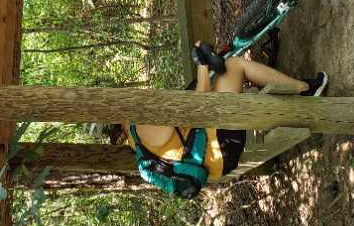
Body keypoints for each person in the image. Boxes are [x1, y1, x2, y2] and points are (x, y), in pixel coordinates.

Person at [109, 40, 328, 181]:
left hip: (215, 155)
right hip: (219, 147)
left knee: (221, 76)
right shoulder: (144, 124)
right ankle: (305, 90)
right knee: (234, 65)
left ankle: (283, 91)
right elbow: (198, 108)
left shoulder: (136, 143)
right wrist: (202, 65)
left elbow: (189, 118)